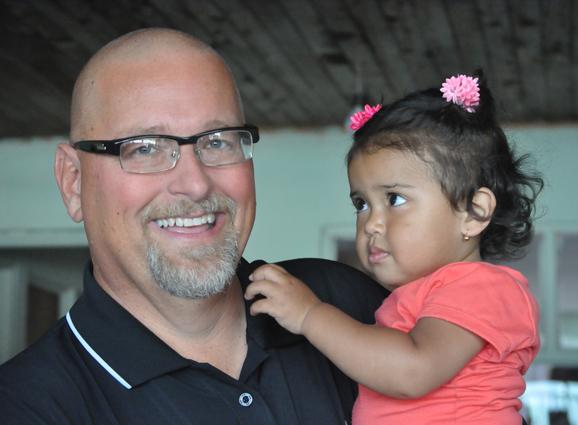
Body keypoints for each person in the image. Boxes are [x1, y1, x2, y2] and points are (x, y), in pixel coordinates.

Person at [0, 28, 387, 424]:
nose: (196, 184)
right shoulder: (27, 406)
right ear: (73, 182)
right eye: (145, 147)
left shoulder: (342, 300)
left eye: (218, 141)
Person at [246, 73, 543, 424]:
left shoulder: (482, 288)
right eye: (361, 204)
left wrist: (310, 315)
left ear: (474, 212)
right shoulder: (410, 299)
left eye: (395, 198)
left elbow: (412, 371)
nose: (371, 223)